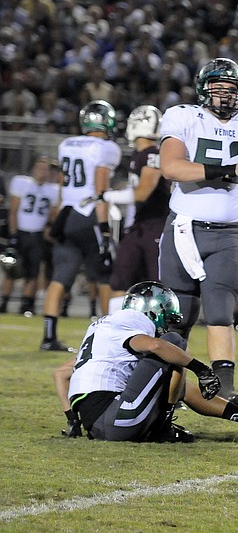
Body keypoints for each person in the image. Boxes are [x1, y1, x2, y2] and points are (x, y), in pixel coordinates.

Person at [157, 58, 238, 406]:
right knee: (177, 314)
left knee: (222, 310)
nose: (224, 97)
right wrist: (220, 169)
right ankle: (166, 390)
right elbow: (171, 166)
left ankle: (224, 385)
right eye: (218, 89)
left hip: (228, 233)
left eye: (231, 90)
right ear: (202, 90)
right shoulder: (185, 117)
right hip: (184, 229)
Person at [52, 281, 238, 442]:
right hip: (119, 419)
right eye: (164, 316)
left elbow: (61, 373)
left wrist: (73, 422)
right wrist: (200, 368)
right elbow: (157, 345)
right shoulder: (129, 322)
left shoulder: (103, 331)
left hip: (101, 424)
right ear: (152, 310)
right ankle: (163, 429)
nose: (163, 324)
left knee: (171, 368)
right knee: (172, 343)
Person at [40, 100, 122, 352]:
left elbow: (64, 185)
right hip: (89, 215)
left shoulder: (67, 144)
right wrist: (105, 229)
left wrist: (56, 218)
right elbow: (100, 191)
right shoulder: (106, 148)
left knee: (60, 277)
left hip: (67, 214)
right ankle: (111, 337)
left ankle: (49, 336)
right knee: (107, 274)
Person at [82, 105, 171, 314]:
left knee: (157, 286)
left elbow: (142, 193)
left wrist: (107, 195)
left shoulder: (153, 154)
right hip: (138, 226)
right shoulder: (139, 155)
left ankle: (159, 336)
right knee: (120, 281)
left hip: (155, 227)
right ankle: (115, 330)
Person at [1, 157, 60, 315]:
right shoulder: (21, 182)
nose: (42, 172)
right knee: (12, 270)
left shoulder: (53, 190)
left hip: (38, 235)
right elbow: (13, 211)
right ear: (34, 169)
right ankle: (4, 301)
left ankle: (27, 304)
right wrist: (13, 234)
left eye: (45, 169)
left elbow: (53, 215)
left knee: (33, 272)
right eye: (40, 168)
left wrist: (50, 228)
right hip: (21, 232)